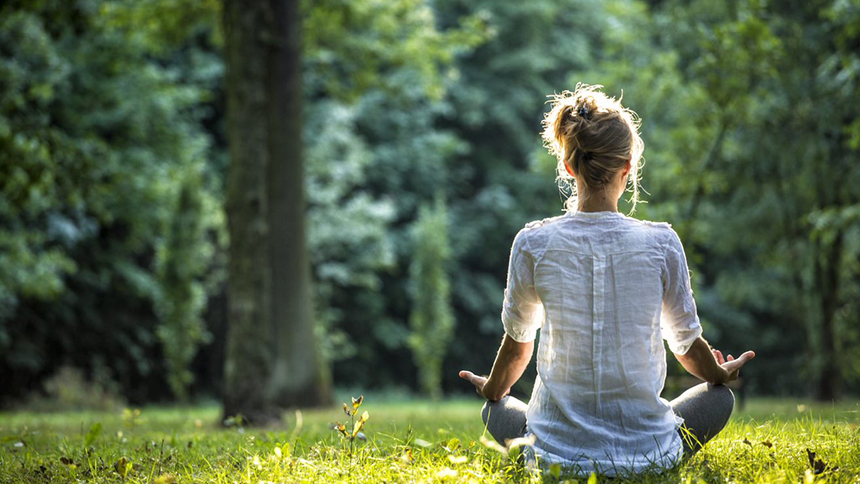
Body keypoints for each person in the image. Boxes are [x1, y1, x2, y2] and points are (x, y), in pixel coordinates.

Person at [458, 84, 755, 476]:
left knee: (494, 409)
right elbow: (686, 346)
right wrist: (719, 374)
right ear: (628, 167)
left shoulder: (533, 242)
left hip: (554, 459)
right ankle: (647, 458)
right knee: (720, 401)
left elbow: (517, 350)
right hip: (647, 455)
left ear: (568, 166)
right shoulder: (661, 242)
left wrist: (492, 389)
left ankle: (551, 447)